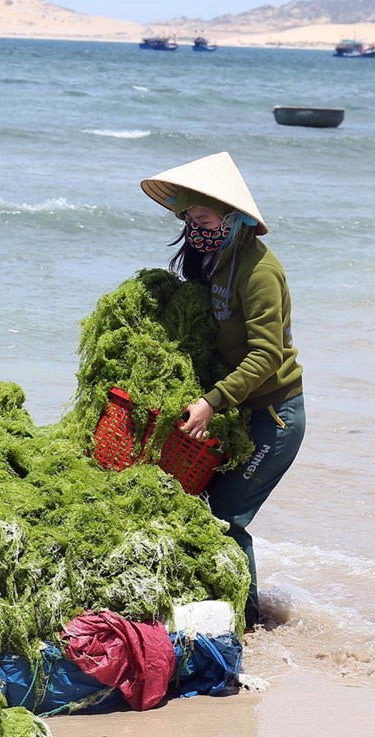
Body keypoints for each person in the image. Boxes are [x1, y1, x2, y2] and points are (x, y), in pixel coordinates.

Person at [141, 151, 305, 628]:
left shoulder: (259, 272)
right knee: (204, 505)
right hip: (242, 410)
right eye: (189, 218)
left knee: (229, 517)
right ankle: (231, 611)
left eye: (203, 217)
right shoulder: (216, 260)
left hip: (274, 417)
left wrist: (211, 401)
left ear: (232, 217)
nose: (195, 227)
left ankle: (247, 624)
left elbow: (266, 356)